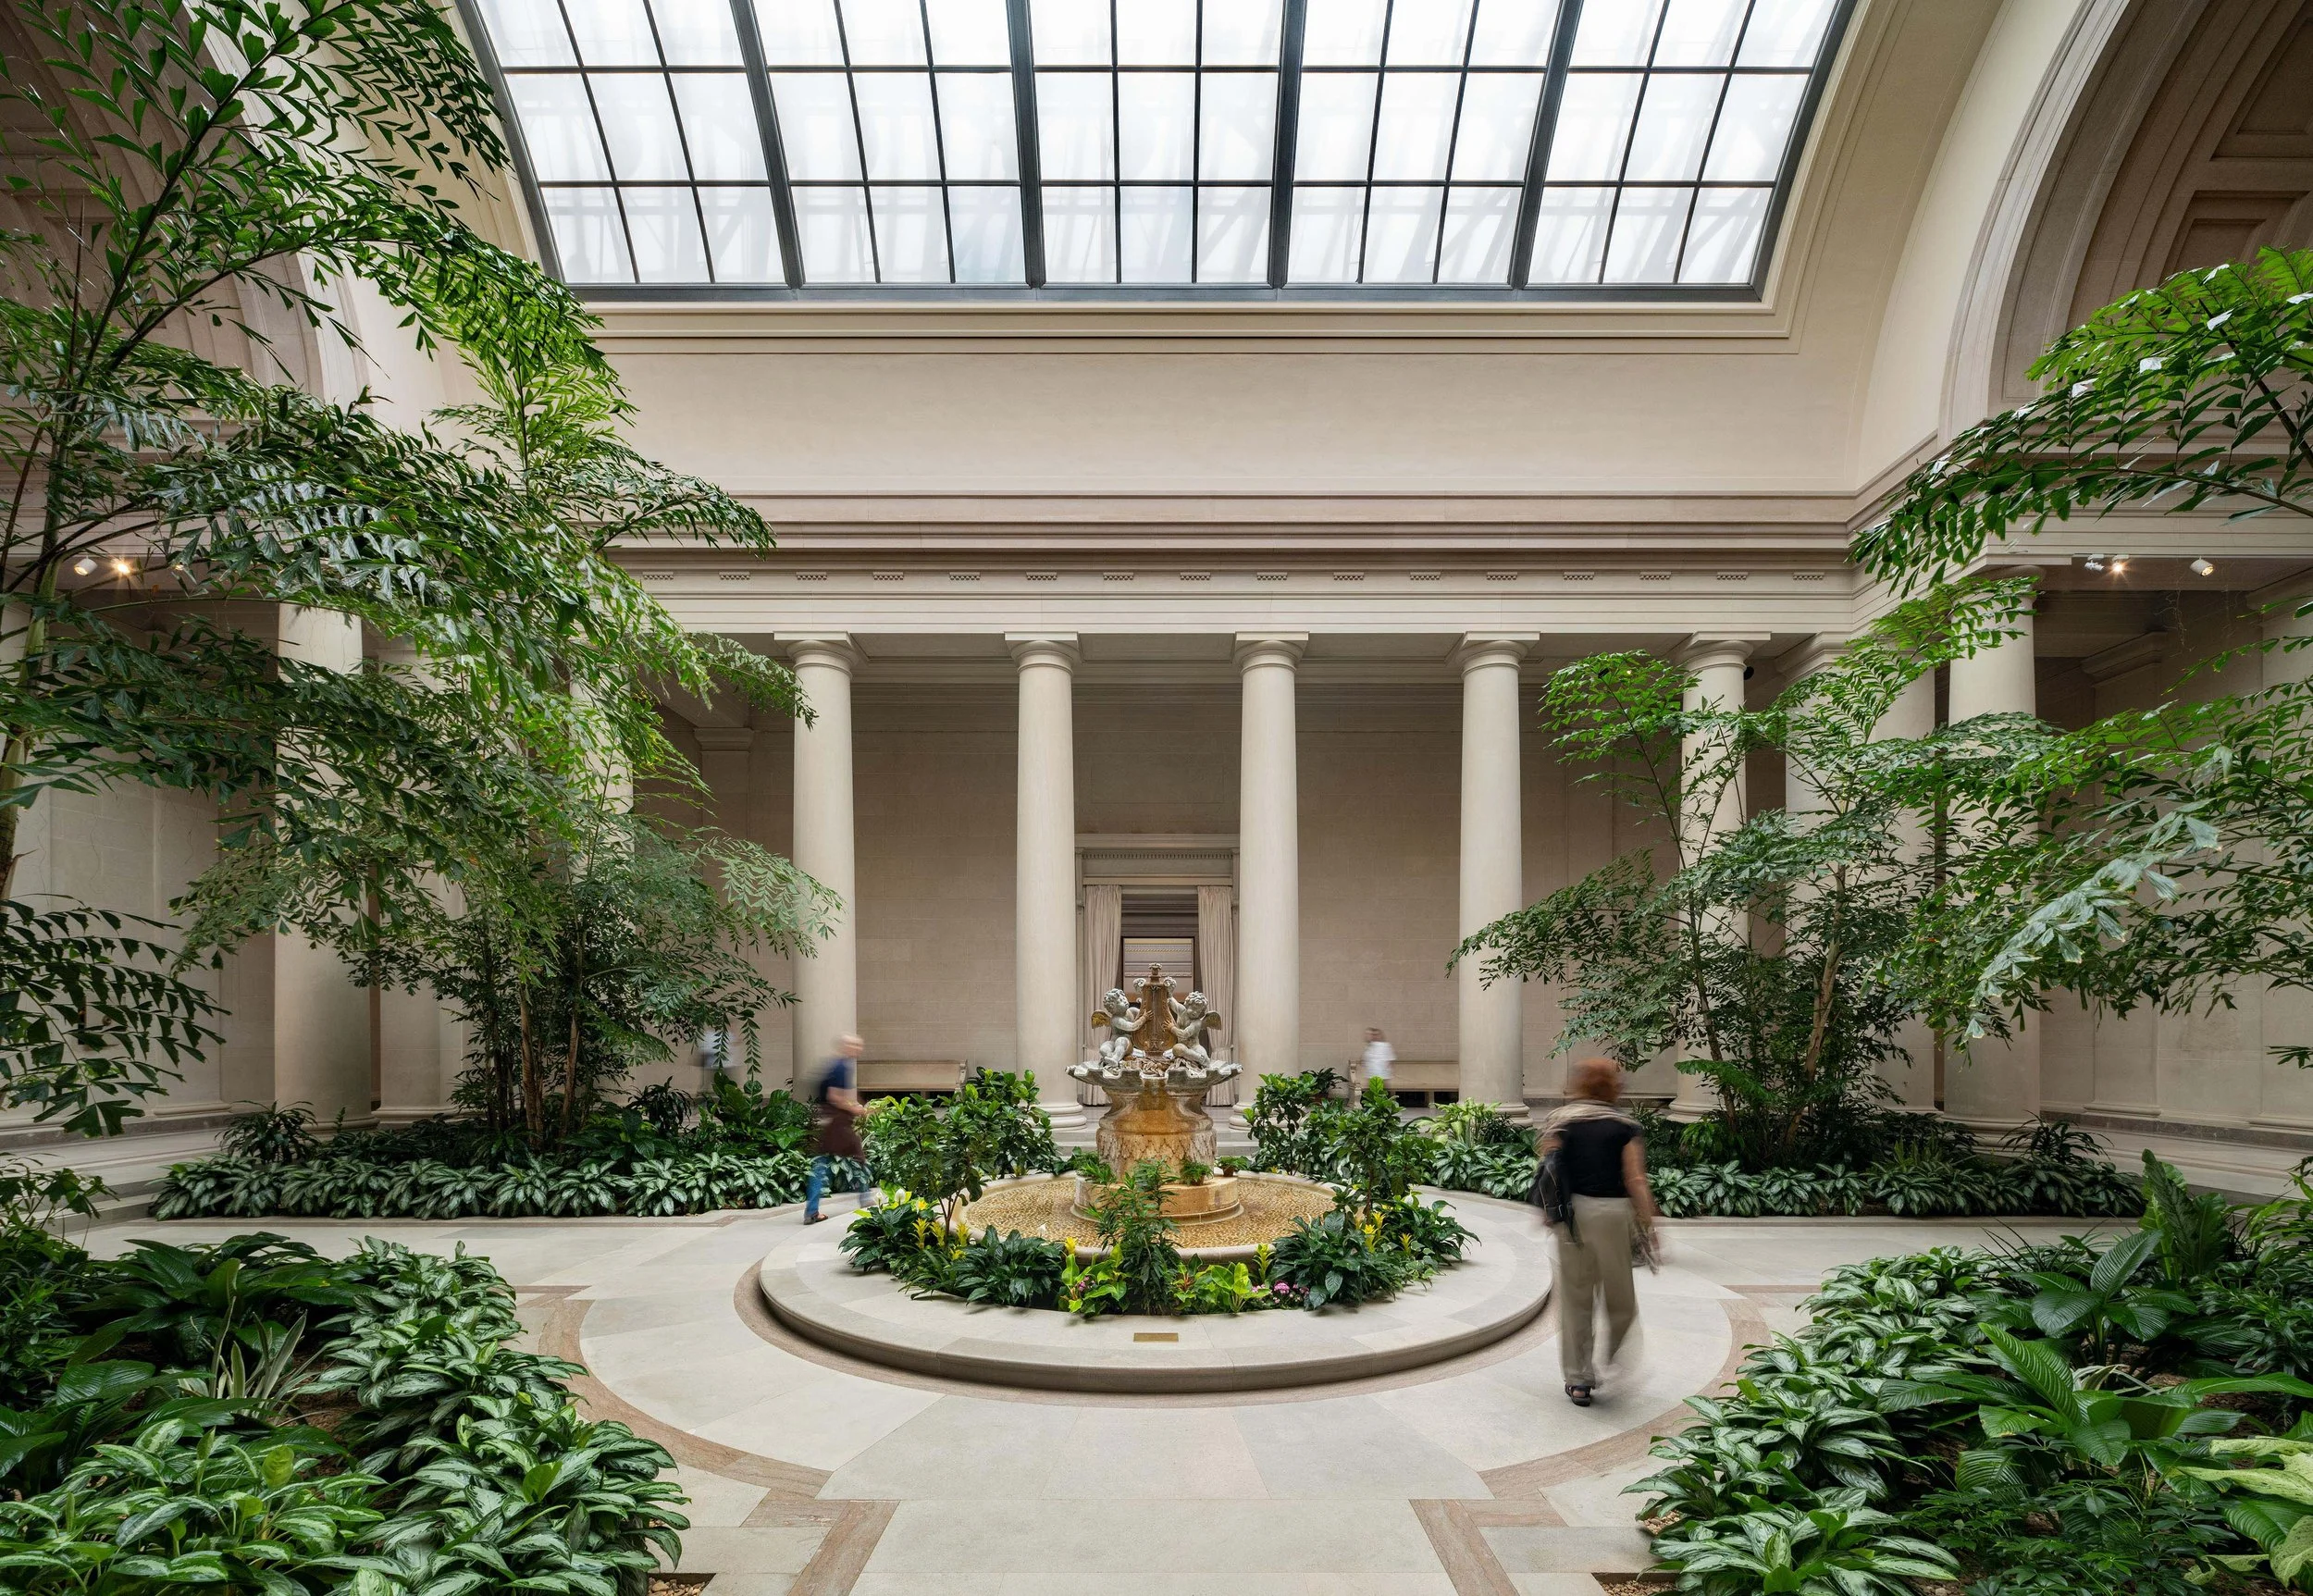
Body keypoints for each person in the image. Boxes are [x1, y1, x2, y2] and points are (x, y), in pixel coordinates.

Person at [1538, 1058, 1658, 1407]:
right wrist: (1650, 1225)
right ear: (1610, 1086)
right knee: (1620, 1298)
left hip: (1572, 1216)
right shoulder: (1625, 1125)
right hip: (1613, 1216)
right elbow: (1635, 1178)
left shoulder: (1561, 1121)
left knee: (1575, 1299)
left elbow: (1547, 1169)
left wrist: (1547, 1211)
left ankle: (1578, 1380)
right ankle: (1611, 1356)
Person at [801, 1033, 865, 1225]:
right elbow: (835, 1096)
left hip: (831, 1122)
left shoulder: (835, 1065)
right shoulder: (841, 1067)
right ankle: (867, 1202)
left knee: (821, 1164)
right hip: (838, 1124)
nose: (858, 1049)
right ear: (846, 1047)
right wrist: (856, 1109)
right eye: (854, 1045)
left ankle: (812, 1211)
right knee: (858, 1158)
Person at [1359, 1027, 1395, 1095]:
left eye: (1376, 1035)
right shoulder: (1369, 1046)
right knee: (1372, 1094)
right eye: (1373, 1035)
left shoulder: (1386, 1046)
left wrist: (1386, 1071)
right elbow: (1364, 1060)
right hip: (1371, 1075)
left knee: (1382, 1094)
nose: (1374, 1037)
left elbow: (1390, 1061)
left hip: (1382, 1075)